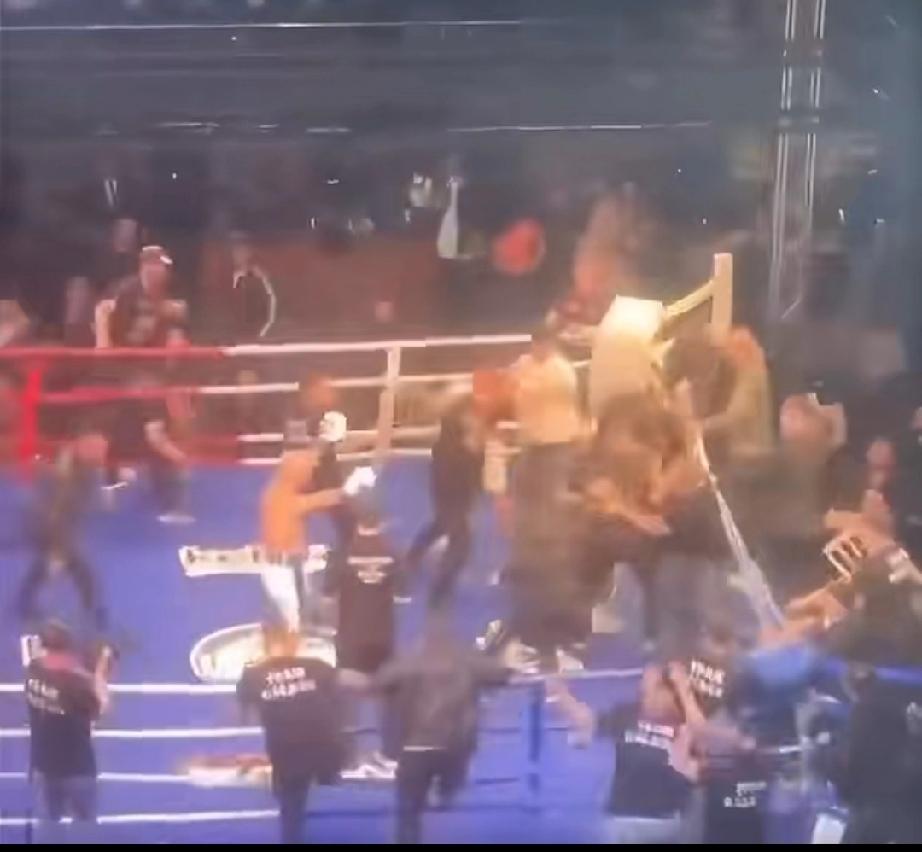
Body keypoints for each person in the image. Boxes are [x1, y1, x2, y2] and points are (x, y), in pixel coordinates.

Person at [372, 613, 512, 844]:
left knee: (408, 812)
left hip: (414, 746)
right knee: (449, 785)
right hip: (454, 745)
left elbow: (378, 683)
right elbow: (503, 676)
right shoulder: (466, 660)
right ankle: (447, 789)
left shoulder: (405, 662)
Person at [237, 622, 364, 844]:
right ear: (294, 645)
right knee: (327, 788)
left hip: (287, 752)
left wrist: (272, 706)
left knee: (291, 807)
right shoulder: (315, 666)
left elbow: (242, 718)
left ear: (265, 646)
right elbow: (355, 682)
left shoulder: (252, 675)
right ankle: (331, 780)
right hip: (325, 748)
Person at [550, 664, 699, 844]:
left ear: (670, 692)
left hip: (663, 822)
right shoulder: (627, 714)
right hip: (622, 821)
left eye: (654, 687)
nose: (645, 692)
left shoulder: (686, 725)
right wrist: (561, 694)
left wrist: (684, 691)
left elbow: (693, 772)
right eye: (644, 687)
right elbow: (587, 719)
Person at [25, 621, 114, 842]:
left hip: (45, 764)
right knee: (84, 823)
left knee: (49, 822)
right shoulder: (77, 685)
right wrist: (101, 669)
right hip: (77, 766)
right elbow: (102, 706)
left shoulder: (33, 673)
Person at [18, 427, 109, 627]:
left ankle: (26, 602)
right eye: (96, 448)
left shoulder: (84, 470)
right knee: (77, 568)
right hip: (51, 527)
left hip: (57, 525)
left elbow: (76, 508)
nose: (101, 453)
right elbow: (58, 512)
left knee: (49, 568)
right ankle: (92, 607)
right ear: (82, 446)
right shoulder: (69, 473)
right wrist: (58, 548)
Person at [405, 396, 484, 606]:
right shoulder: (457, 450)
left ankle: (413, 556)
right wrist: (477, 454)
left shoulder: (446, 444)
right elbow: (470, 474)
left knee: (440, 525)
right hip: (454, 500)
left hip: (447, 499)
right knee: (460, 545)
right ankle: (440, 591)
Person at [260, 448, 344, 632]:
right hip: (283, 572)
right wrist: (354, 486)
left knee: (302, 614)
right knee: (293, 623)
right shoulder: (285, 499)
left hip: (290, 567)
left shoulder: (277, 490)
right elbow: (326, 499)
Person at [510, 327, 582, 532]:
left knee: (553, 492)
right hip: (530, 439)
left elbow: (540, 392)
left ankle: (557, 533)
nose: (539, 348)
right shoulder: (524, 363)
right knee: (523, 488)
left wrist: (522, 386)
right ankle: (529, 532)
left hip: (556, 440)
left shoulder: (562, 370)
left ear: (551, 345)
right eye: (536, 344)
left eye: (543, 344)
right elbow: (511, 387)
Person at [95, 245, 186, 349]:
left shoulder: (167, 292)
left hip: (146, 349)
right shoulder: (125, 291)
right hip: (122, 347)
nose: (161, 269)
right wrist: (104, 348)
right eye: (155, 264)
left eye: (162, 266)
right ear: (145, 267)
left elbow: (174, 330)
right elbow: (103, 311)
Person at [228, 231, 277, 340]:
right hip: (236, 333)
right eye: (235, 250)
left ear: (249, 252)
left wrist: (262, 333)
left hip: (255, 333)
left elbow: (270, 305)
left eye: (241, 250)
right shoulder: (229, 274)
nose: (237, 254)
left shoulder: (258, 277)